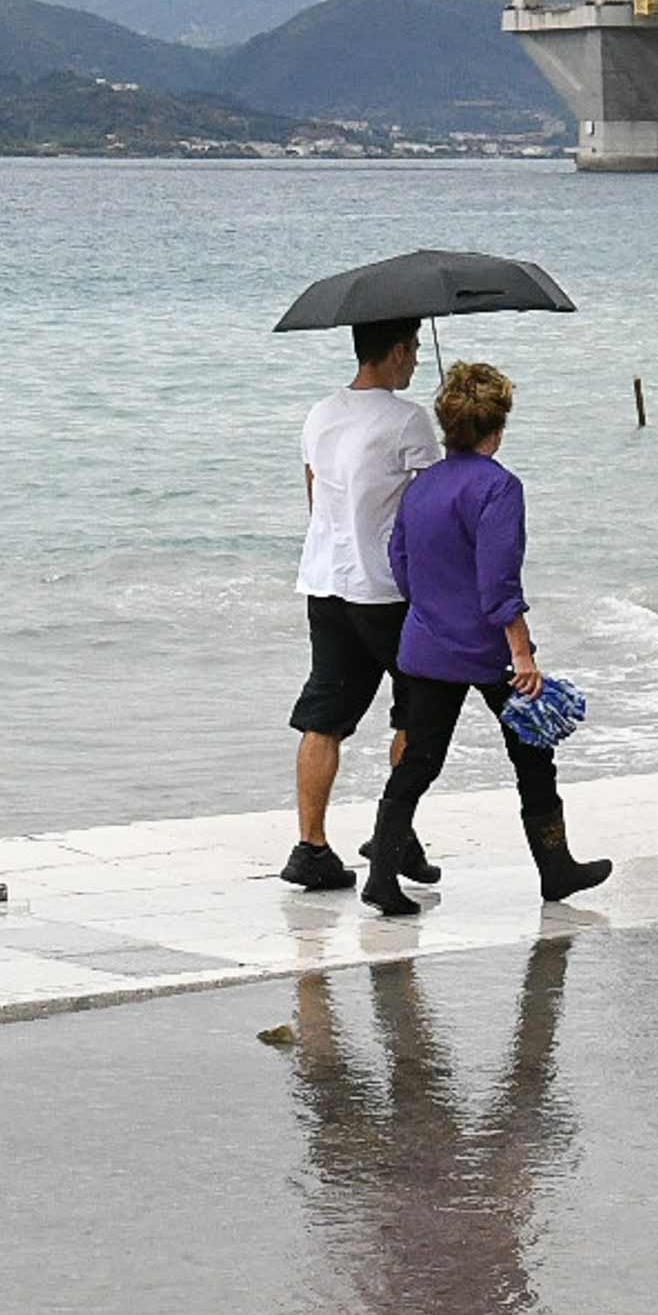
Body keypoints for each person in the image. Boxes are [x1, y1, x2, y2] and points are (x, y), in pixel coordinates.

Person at [364, 361, 611, 916]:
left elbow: (399, 561)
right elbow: (499, 581)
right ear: (496, 428)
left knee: (419, 764)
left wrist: (430, 607)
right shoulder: (499, 487)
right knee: (533, 751)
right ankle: (555, 867)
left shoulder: (421, 486)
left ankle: (382, 876)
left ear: (448, 427)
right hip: (487, 650)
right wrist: (521, 651)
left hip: (426, 644)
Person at [283, 317, 445, 893]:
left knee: (324, 716)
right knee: (417, 711)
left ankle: (311, 847)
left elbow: (313, 491)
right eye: (416, 350)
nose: (419, 361)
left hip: (325, 580)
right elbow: (431, 513)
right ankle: (393, 835)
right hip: (385, 591)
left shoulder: (320, 412)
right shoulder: (409, 420)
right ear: (397, 351)